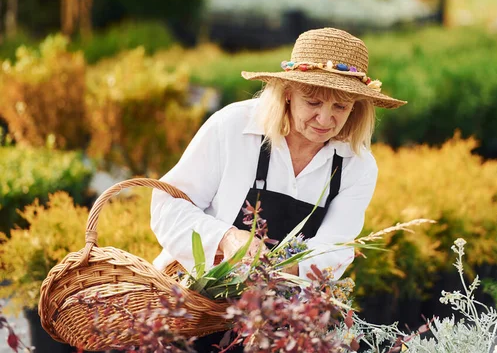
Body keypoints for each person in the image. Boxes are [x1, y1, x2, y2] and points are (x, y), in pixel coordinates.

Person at [150, 27, 406, 352]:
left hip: (278, 323)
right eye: (312, 102)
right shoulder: (232, 128)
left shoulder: (356, 164)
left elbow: (335, 248)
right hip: (193, 309)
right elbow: (166, 207)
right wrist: (228, 239)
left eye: (341, 108)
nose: (325, 119)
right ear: (287, 92)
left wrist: (278, 269)